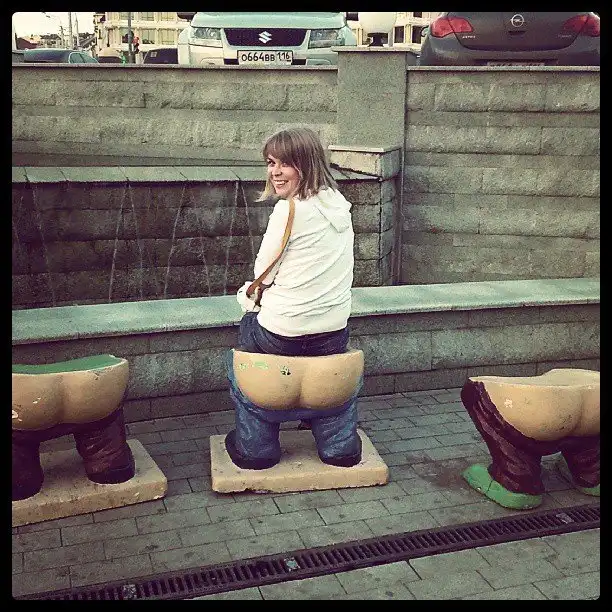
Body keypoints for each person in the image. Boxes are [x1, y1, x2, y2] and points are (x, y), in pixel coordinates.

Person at [225, 127, 361, 470]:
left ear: (306, 164)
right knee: (331, 385)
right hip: (333, 333)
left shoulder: (289, 210)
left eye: (285, 163)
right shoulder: (340, 205)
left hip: (281, 334)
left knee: (247, 336)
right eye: (271, 163)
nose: (275, 172)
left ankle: (256, 446)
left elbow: (264, 273)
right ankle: (338, 445)